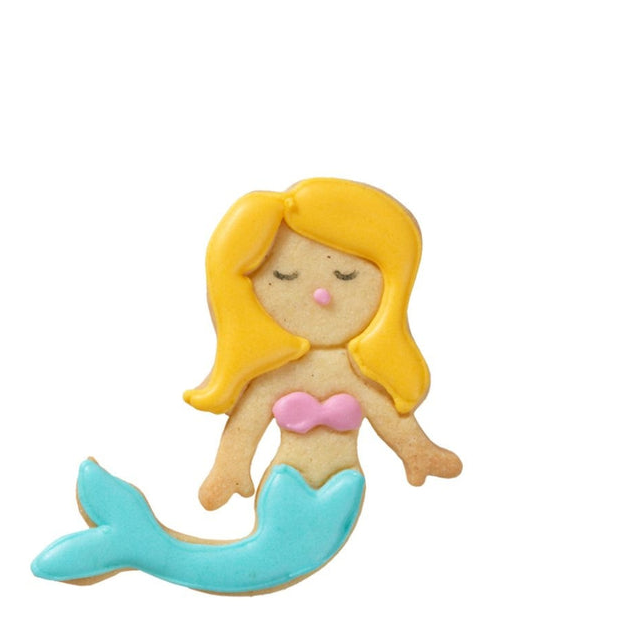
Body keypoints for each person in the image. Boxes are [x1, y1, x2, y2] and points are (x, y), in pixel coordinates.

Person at [32, 178, 461, 594]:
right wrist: (231, 470)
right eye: (286, 276)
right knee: (270, 555)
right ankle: (136, 545)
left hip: (342, 490)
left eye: (347, 276)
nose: (321, 295)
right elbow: (250, 420)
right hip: (288, 488)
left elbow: (391, 417)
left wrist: (418, 453)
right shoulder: (277, 374)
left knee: (285, 554)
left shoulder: (359, 370)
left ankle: (134, 543)